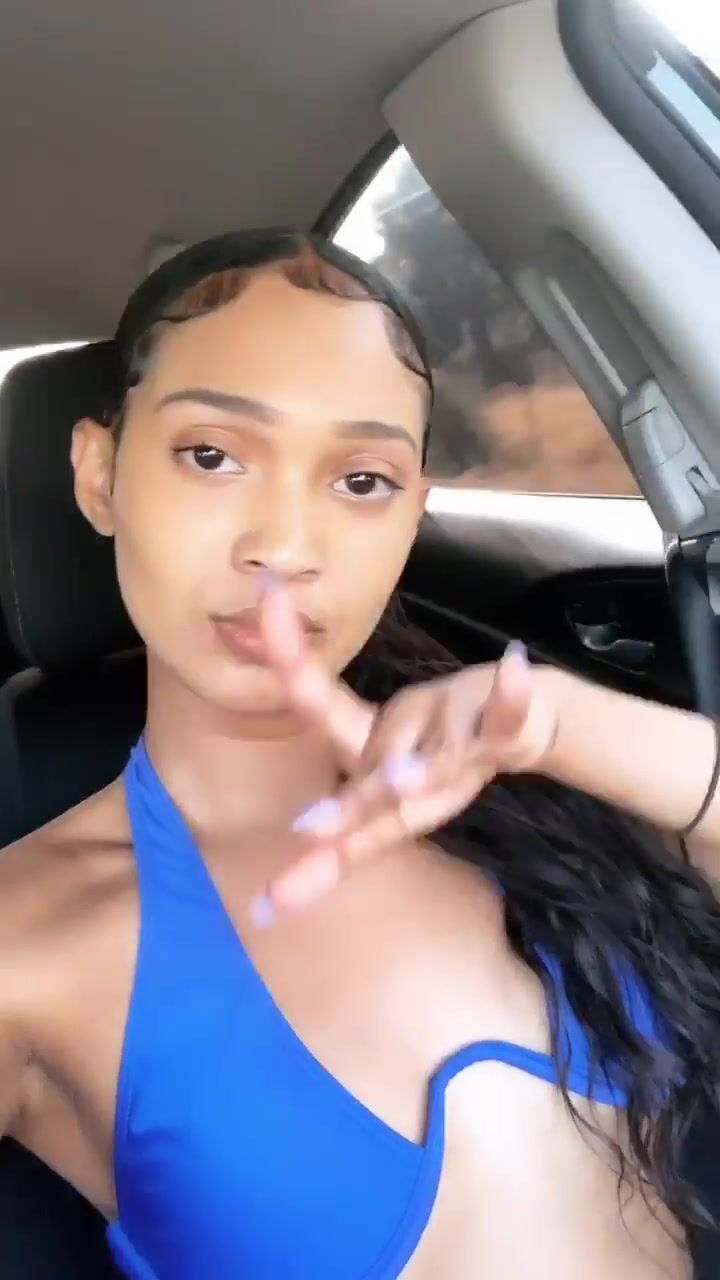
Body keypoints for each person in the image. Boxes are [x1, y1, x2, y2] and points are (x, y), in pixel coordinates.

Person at [1, 228, 720, 1280]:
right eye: (212, 455)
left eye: (363, 479)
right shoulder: (29, 934)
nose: (285, 546)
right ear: (100, 474)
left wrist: (567, 729)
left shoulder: (548, 796)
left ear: (413, 514)